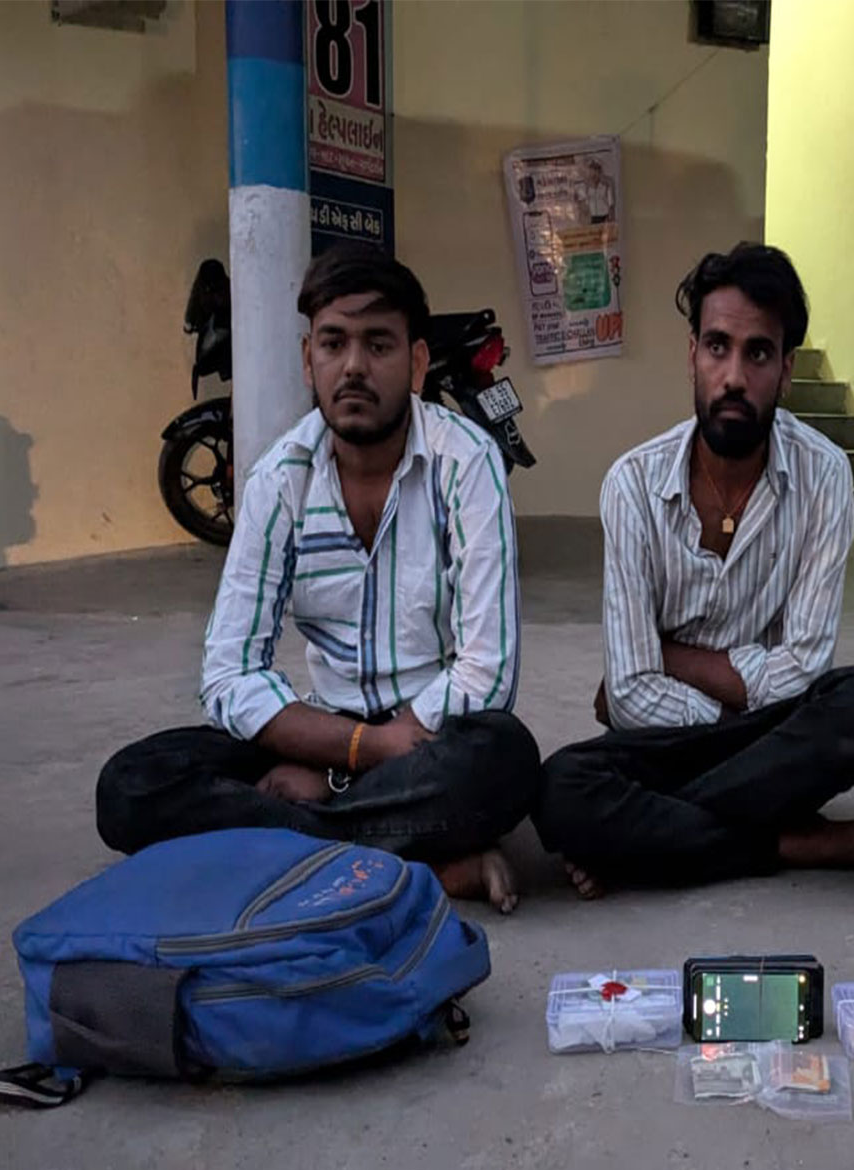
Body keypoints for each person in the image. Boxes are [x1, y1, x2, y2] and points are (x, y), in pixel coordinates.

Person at [96, 245, 539, 912]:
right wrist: (353, 746)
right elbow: (229, 673)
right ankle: (413, 865)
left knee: (503, 759)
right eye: (334, 343)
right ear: (310, 360)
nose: (354, 366)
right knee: (131, 785)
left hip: (429, 746)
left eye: (378, 344)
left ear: (417, 363)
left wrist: (353, 762)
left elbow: (487, 670)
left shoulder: (465, 463)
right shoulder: (281, 479)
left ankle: (296, 853)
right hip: (326, 731)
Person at [532, 243, 854, 897]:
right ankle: (794, 842)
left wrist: (669, 655)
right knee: (561, 790)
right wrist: (733, 720)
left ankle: (651, 842)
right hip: (710, 741)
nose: (733, 375)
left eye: (757, 353)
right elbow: (629, 693)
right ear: (692, 356)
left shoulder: (824, 477)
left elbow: (805, 671)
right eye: (717, 347)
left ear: (787, 370)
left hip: (767, 732)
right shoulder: (634, 486)